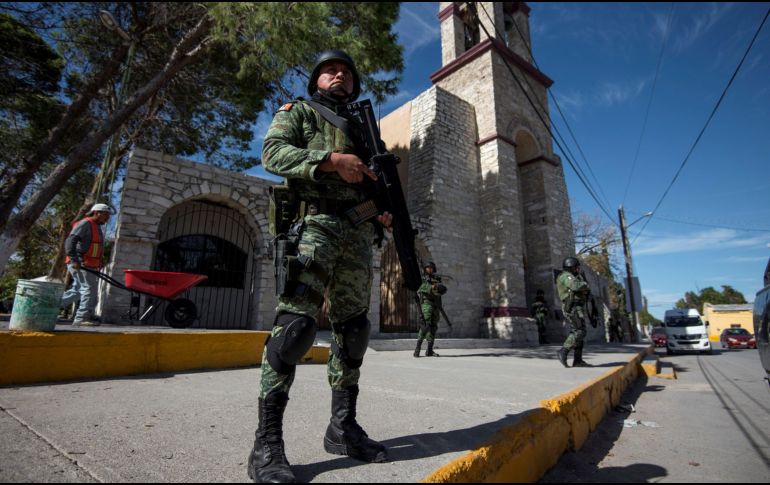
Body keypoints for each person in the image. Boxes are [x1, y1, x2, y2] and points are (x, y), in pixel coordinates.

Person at [247, 50, 394, 483]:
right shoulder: (300, 112)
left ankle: (342, 428)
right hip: (314, 227)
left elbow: (375, 189)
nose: (339, 75)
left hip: (356, 235)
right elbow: (272, 155)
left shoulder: (367, 133)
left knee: (354, 332)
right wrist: (330, 161)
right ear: (317, 80)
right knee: (294, 330)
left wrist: (381, 213)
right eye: (331, 70)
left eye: (347, 72)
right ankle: (266, 444)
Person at [60, 203, 112, 326]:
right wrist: (74, 259)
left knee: (77, 291)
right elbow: (70, 241)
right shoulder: (85, 223)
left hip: (89, 264)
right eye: (105, 215)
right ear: (96, 213)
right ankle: (82, 317)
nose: (107, 218)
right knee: (88, 289)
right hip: (81, 263)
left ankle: (49, 307)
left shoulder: (96, 227)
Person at [555, 257, 592, 368]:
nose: (578, 269)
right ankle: (563, 351)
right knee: (580, 331)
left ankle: (578, 360)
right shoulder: (566, 276)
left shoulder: (575, 277)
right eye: (576, 267)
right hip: (572, 307)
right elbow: (575, 286)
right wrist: (585, 284)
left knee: (578, 332)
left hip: (577, 306)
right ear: (571, 267)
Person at [414, 262, 447, 358]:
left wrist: (440, 288)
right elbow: (421, 289)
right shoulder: (422, 279)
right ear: (425, 269)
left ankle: (429, 350)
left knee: (433, 327)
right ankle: (417, 349)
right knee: (425, 325)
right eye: (428, 268)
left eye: (431, 268)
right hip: (426, 304)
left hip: (436, 305)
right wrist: (432, 287)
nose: (429, 269)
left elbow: (441, 291)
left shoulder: (437, 279)